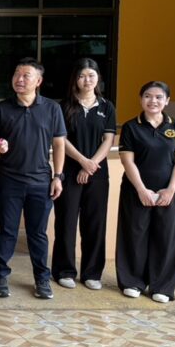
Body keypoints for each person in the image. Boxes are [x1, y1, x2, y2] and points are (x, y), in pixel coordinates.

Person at [0, 58, 67, 299]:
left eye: (26, 76)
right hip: (9, 180)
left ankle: (42, 278)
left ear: (38, 81)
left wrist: (58, 176)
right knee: (7, 231)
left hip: (41, 181)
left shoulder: (52, 109)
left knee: (38, 233)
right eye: (16, 74)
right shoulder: (1, 109)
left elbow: (59, 144)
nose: (19, 80)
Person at [116, 81, 175, 303]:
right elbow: (127, 161)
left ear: (167, 101)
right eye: (147, 96)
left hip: (169, 193)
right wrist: (141, 189)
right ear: (141, 99)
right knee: (134, 236)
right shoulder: (131, 127)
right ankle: (132, 282)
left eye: (159, 97)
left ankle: (162, 287)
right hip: (135, 191)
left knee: (167, 239)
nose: (153, 101)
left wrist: (171, 190)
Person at [51, 58, 117, 290]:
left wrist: (91, 165)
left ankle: (92, 273)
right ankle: (64, 270)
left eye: (91, 75)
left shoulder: (106, 107)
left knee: (95, 224)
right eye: (82, 76)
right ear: (75, 79)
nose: (87, 80)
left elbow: (108, 140)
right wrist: (82, 161)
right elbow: (60, 140)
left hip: (97, 173)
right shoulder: (63, 106)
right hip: (69, 171)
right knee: (66, 222)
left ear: (98, 78)